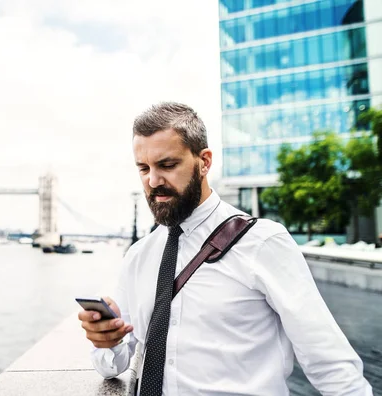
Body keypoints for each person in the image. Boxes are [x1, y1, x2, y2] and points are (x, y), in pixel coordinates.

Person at [78, 103, 373, 395]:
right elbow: (113, 365)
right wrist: (107, 340)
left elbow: (329, 363)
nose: (153, 181)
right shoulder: (139, 255)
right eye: (144, 168)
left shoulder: (263, 242)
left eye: (167, 165)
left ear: (204, 161)